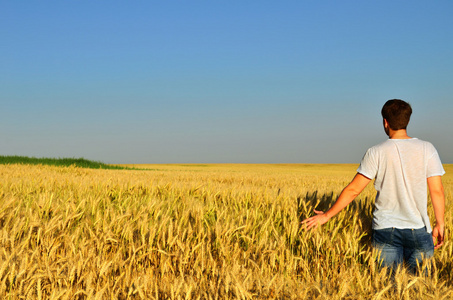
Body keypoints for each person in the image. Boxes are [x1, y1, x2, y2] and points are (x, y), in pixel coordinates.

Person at [302, 99, 445, 274]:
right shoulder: (427, 149)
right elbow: (437, 191)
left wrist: (327, 215)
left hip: (385, 229)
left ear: (385, 122)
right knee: (421, 287)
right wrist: (440, 223)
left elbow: (354, 190)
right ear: (407, 120)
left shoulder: (376, 151)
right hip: (419, 228)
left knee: (387, 286)